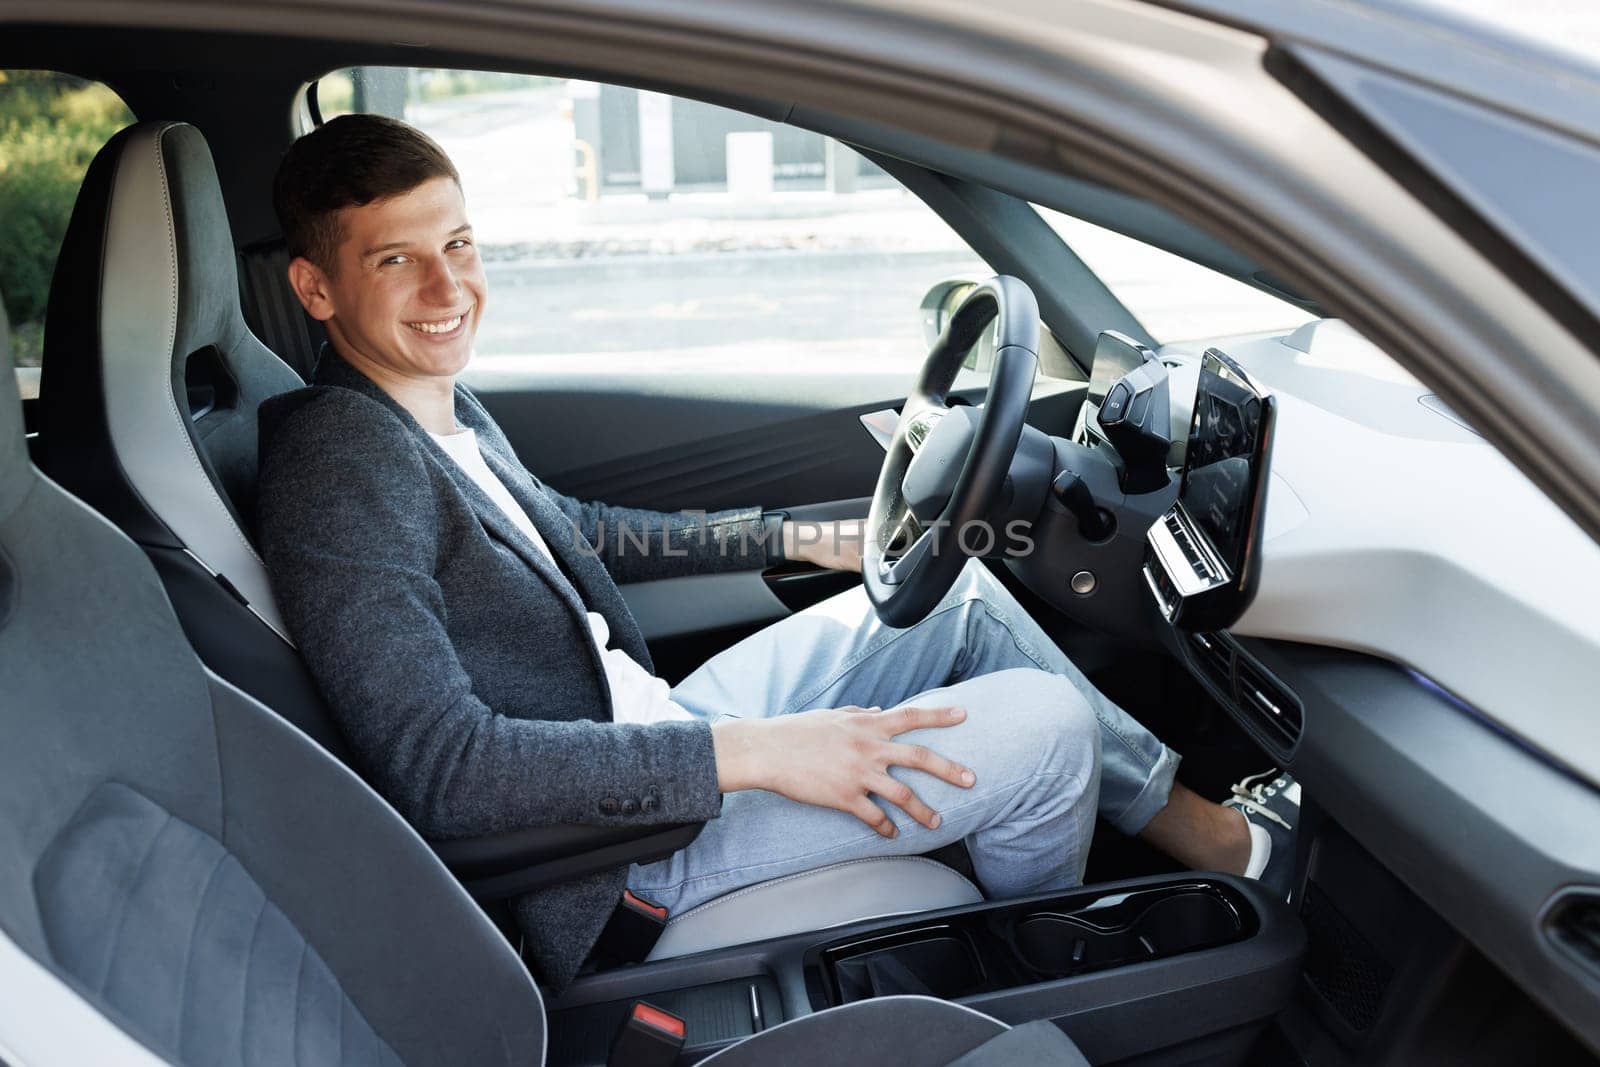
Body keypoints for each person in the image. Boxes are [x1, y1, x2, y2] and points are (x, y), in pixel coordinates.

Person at [257, 114, 1295, 991]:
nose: (448, 286)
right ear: (315, 288)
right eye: (396, 259)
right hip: (613, 853)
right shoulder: (337, 457)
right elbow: (443, 770)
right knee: (1050, 724)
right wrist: (763, 753)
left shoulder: (426, 406)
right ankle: (1049, 967)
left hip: (645, 733)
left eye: (461, 244)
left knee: (953, 601)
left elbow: (564, 528)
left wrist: (787, 535)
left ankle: (1207, 835)